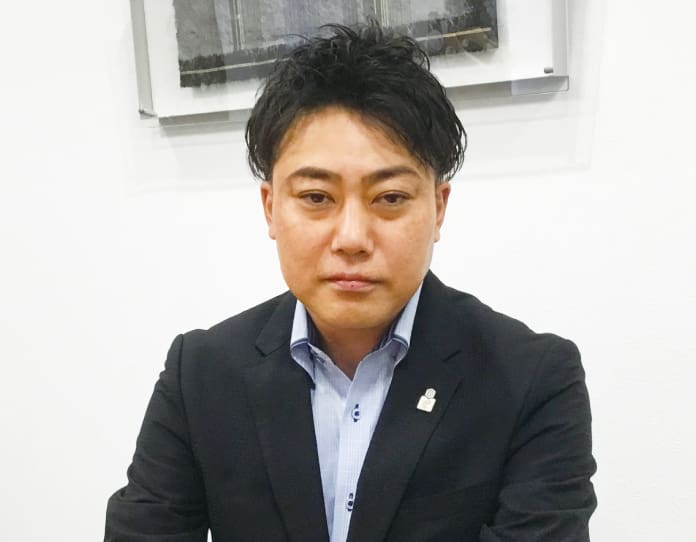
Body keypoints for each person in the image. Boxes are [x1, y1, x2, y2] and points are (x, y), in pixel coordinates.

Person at [106, 22, 596, 542]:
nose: (352, 238)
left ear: (438, 207)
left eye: (390, 198)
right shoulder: (201, 373)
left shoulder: (532, 378)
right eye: (317, 198)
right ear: (271, 208)